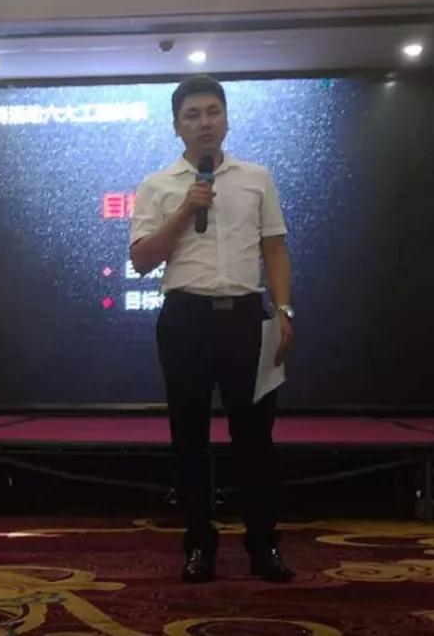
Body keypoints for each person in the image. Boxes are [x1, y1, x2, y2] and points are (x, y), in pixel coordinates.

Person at [129, 75, 295, 582]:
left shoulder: (256, 178)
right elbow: (141, 260)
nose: (204, 122)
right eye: (193, 115)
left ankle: (263, 546)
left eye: (213, 112)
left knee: (255, 438)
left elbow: (274, 249)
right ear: (177, 126)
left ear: (226, 119)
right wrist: (186, 209)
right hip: (186, 319)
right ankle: (198, 546)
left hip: (246, 318)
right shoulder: (157, 186)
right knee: (189, 438)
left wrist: (284, 312)